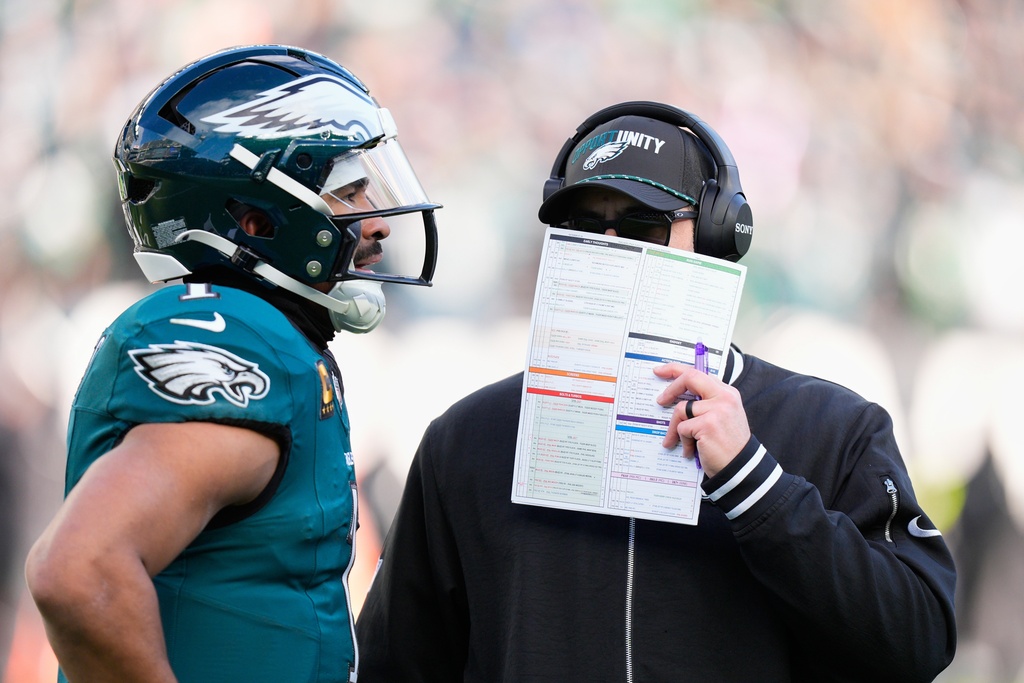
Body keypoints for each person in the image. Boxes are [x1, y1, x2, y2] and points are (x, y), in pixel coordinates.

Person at [356, 102, 957, 682]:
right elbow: (397, 664)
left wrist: (757, 487)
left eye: (642, 225)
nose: (611, 245)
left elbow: (918, 640)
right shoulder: (467, 440)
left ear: (720, 236)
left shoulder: (831, 425)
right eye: (585, 226)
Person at [24, 44, 440, 683]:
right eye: (349, 192)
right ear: (257, 220)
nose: (378, 223)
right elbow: (78, 571)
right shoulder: (239, 338)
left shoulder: (280, 339)